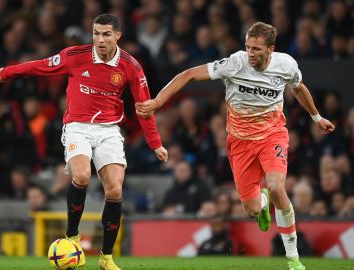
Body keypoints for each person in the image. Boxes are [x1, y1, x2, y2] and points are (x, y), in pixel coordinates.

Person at [135, 22, 336, 270]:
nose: (250, 53)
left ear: (270, 49)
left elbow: (299, 88)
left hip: (272, 135)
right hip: (239, 143)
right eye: (247, 47)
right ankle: (261, 202)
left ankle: (293, 259)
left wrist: (317, 117)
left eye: (257, 49)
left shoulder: (286, 65)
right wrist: (157, 102)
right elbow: (187, 75)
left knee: (276, 186)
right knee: (251, 210)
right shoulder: (234, 64)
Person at [0, 13, 168, 270]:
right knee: (82, 175)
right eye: (96, 33)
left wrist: (155, 143)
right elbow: (42, 66)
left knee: (115, 190)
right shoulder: (76, 55)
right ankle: (72, 237)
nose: (100, 39)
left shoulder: (131, 66)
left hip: (109, 129)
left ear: (118, 36)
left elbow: (145, 108)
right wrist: (7, 72)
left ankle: (106, 258)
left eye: (106, 34)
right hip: (77, 126)